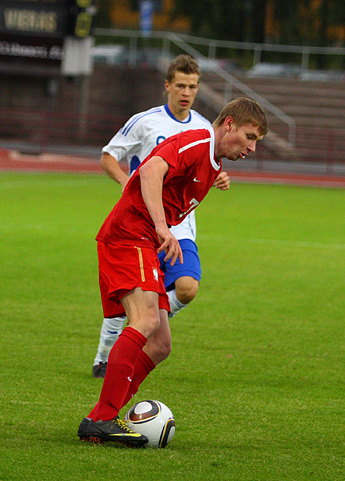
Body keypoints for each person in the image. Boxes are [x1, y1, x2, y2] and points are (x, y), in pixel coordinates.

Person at [78, 97, 268, 447]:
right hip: (129, 234)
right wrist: (164, 228)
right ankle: (103, 418)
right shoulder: (195, 141)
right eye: (249, 136)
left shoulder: (211, 161)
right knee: (145, 322)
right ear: (228, 124)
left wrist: (165, 229)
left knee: (161, 344)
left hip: (145, 242)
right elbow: (150, 171)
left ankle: (103, 417)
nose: (252, 147)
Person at [92, 54, 231, 378]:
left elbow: (210, 164)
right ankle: (104, 357)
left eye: (193, 86)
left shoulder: (203, 127)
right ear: (167, 86)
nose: (186, 92)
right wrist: (130, 184)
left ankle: (144, 323)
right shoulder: (145, 120)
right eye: (180, 85)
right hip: (141, 222)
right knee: (124, 295)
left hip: (180, 225)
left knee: (187, 288)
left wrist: (220, 177)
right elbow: (108, 157)